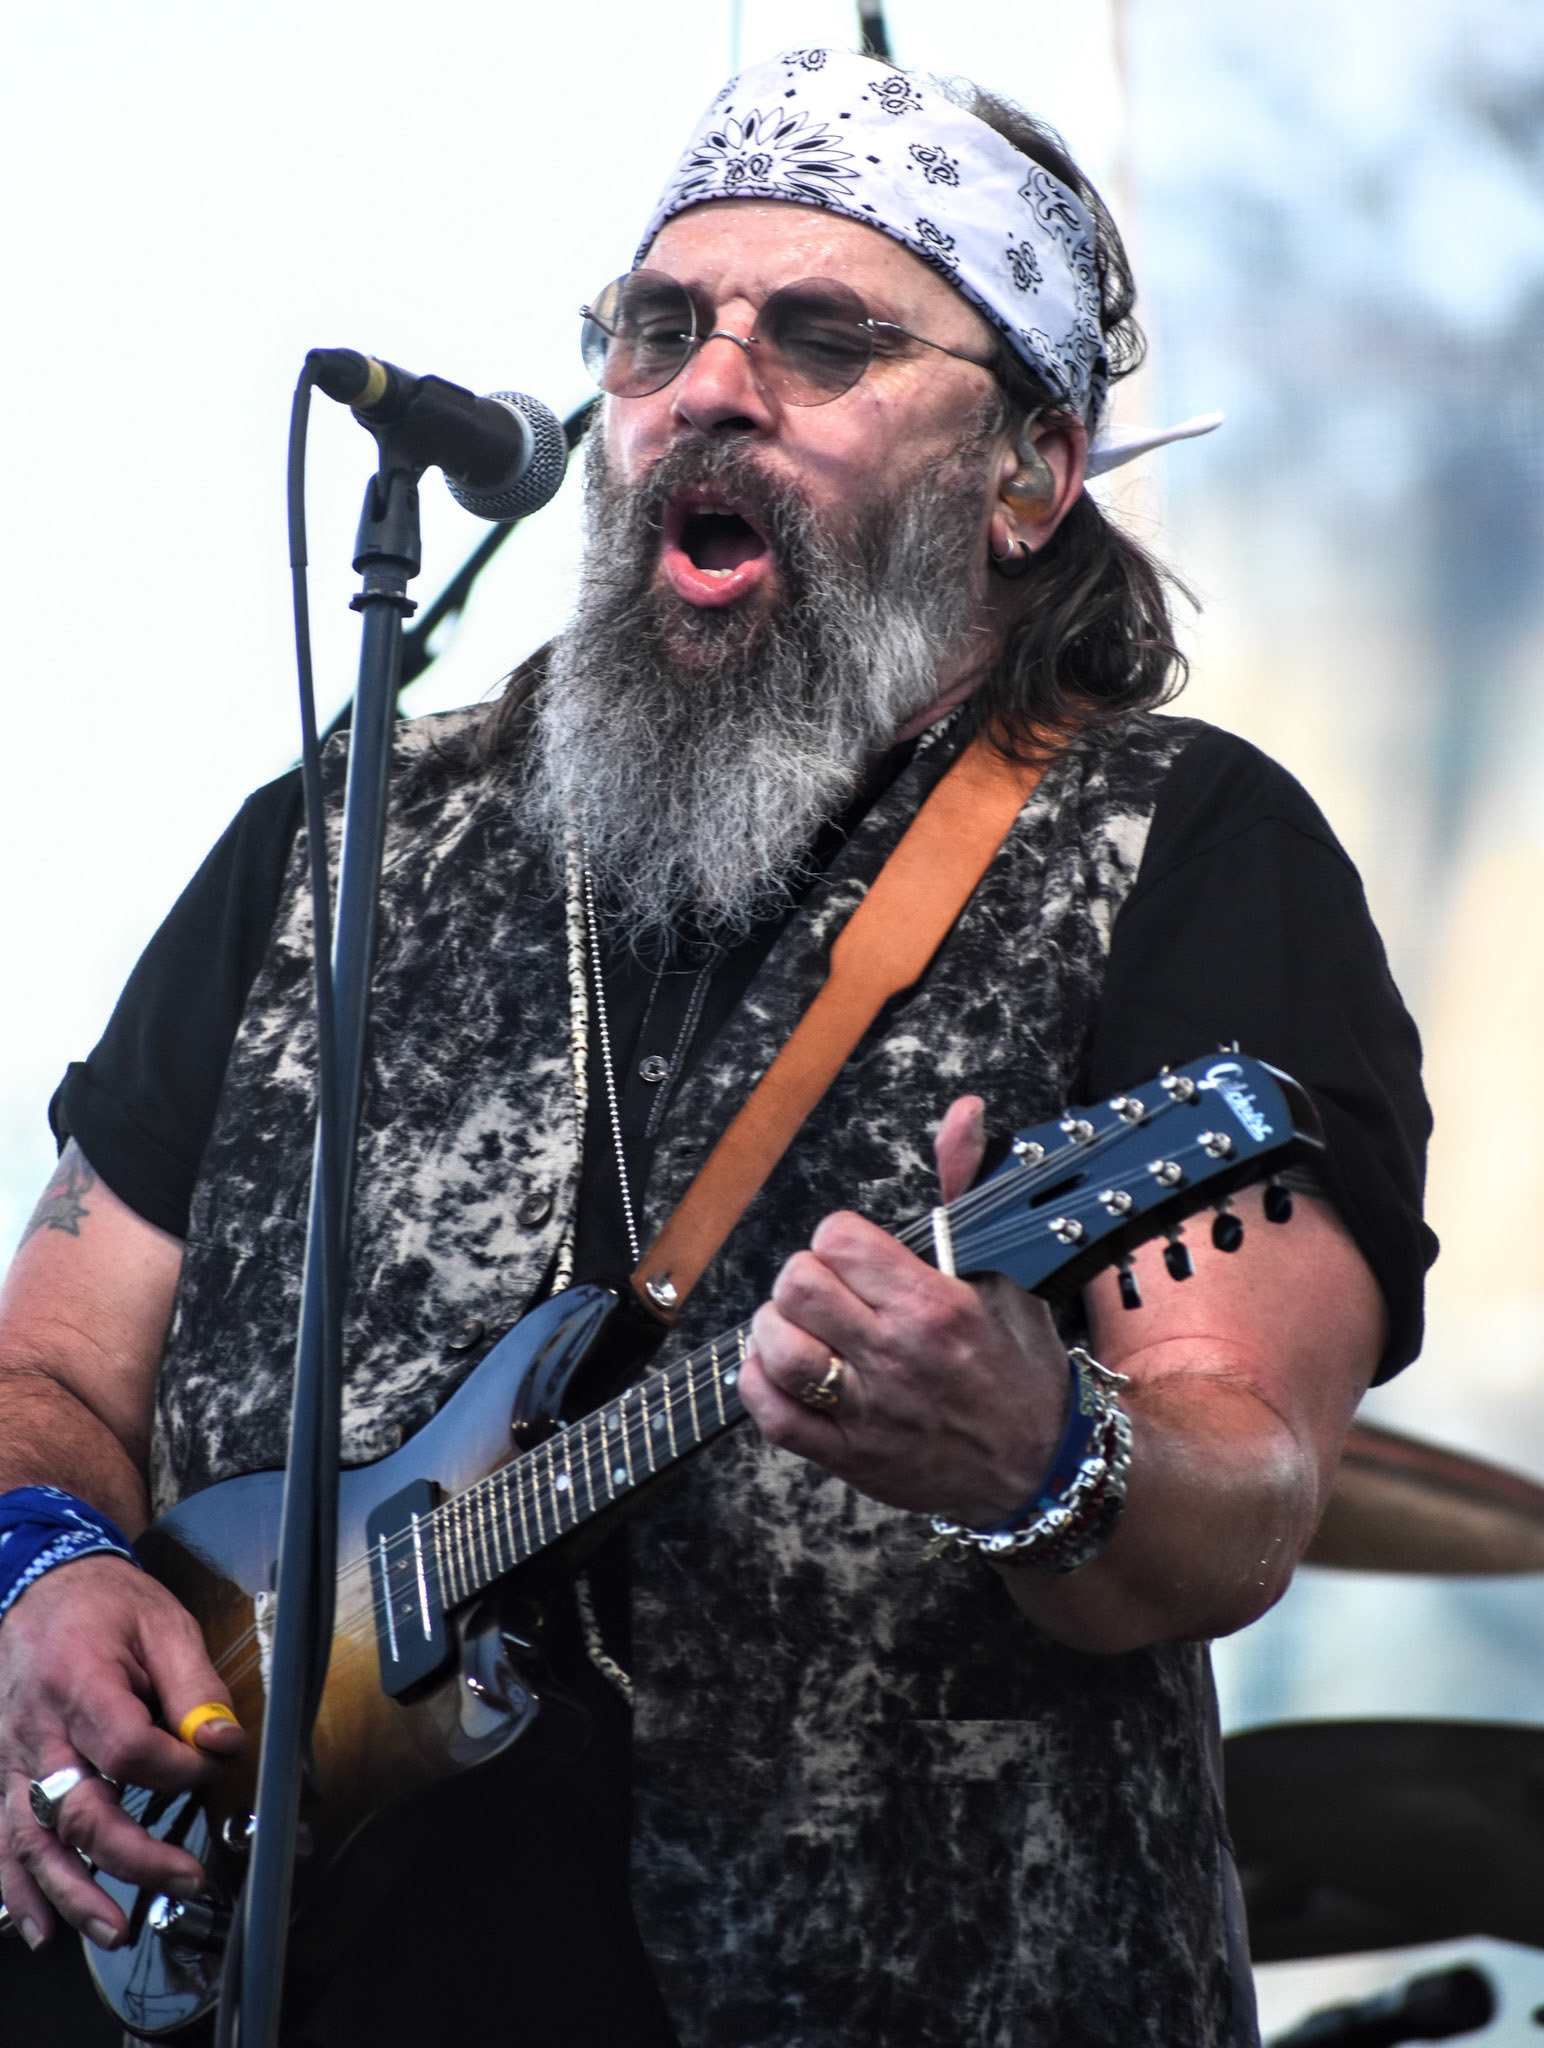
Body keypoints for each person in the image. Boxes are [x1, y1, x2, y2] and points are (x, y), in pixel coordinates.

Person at [0, 48, 1431, 2048]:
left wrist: (1045, 1453)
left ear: (1029, 472)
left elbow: (1245, 1479)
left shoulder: (1173, 846)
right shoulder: (335, 841)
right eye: (661, 327)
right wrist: (43, 1576)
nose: (712, 384)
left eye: (826, 340)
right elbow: (54, 1364)